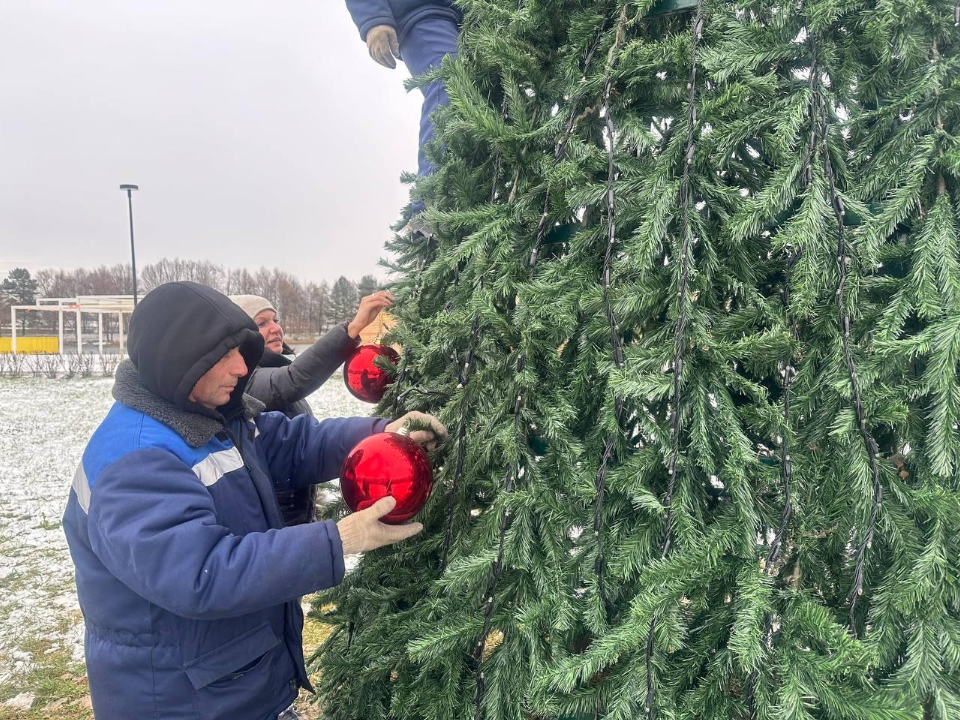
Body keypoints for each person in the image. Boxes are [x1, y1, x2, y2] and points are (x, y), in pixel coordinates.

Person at [62, 281, 445, 720]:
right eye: (222, 356)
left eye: (240, 352)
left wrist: (383, 433)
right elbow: (202, 574)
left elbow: (298, 445)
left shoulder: (212, 415)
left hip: (231, 684)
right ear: (178, 364)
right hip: (179, 700)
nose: (240, 368)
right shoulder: (134, 462)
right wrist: (335, 541)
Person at [229, 290, 394, 527]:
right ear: (241, 337)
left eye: (275, 320)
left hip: (300, 515)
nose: (275, 328)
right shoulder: (244, 381)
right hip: (273, 526)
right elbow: (293, 379)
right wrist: (353, 328)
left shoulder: (276, 370)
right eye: (262, 323)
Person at [344, 0, 461, 226]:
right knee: (449, 79)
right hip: (420, 12)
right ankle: (428, 204)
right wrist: (373, 21)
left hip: (473, 17)